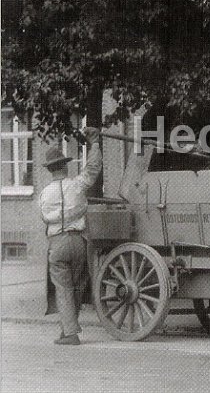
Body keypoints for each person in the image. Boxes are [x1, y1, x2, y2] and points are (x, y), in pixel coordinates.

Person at [40, 127, 102, 345]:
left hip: (57, 242)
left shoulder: (44, 194)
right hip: (79, 240)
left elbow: (44, 218)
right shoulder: (77, 184)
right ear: (65, 166)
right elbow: (93, 169)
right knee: (76, 286)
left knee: (63, 288)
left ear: (50, 170)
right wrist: (95, 144)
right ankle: (69, 328)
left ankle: (70, 333)